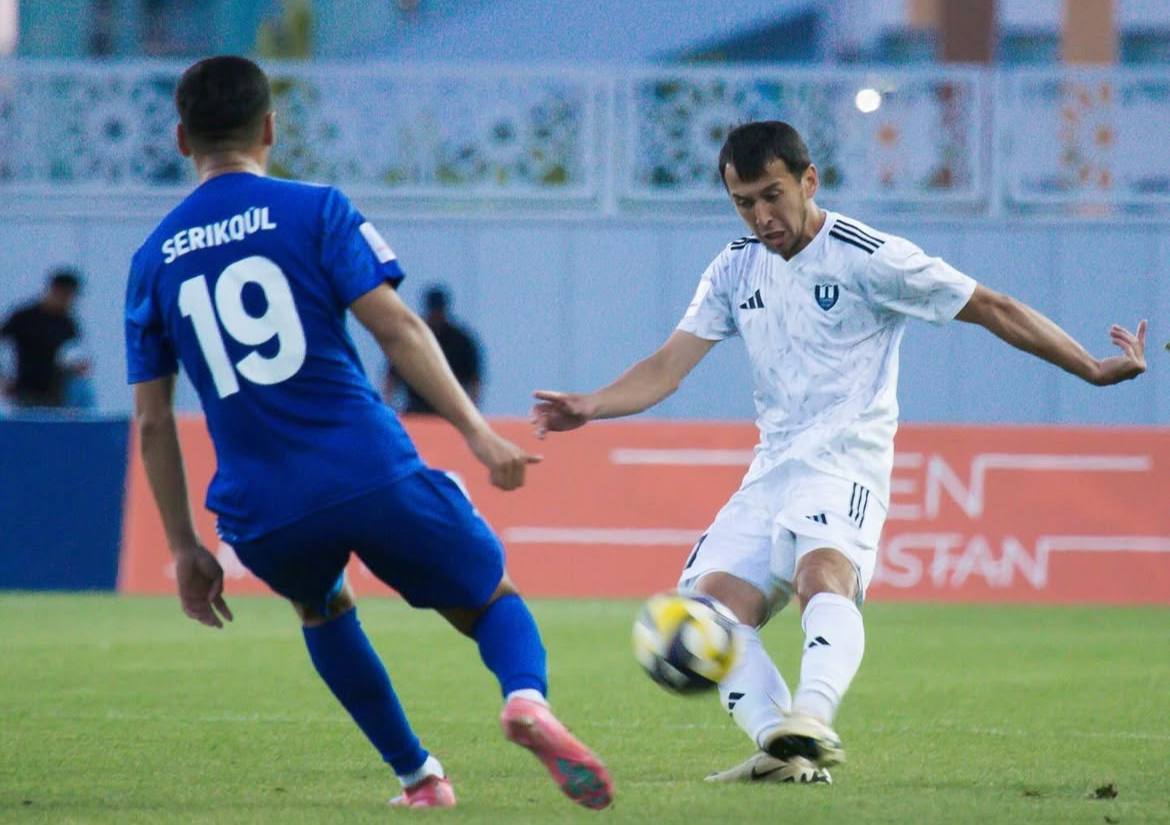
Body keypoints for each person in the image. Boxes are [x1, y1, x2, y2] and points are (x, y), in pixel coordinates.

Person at [532, 120, 1147, 785]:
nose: (762, 217)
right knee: (707, 608)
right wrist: (592, 404)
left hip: (846, 461)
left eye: (772, 195)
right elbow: (666, 367)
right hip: (772, 468)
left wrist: (1090, 367)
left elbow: (990, 306)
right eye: (744, 202)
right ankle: (782, 748)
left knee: (820, 576)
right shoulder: (735, 266)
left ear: (808, 180)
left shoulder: (868, 256)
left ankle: (814, 714)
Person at [124, 56, 612, 811]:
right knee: (488, 599)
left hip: (263, 506)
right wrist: (477, 431)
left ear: (181, 138)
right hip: (367, 468)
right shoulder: (317, 209)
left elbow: (154, 420)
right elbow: (398, 329)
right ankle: (525, 699)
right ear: (270, 128)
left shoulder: (151, 259)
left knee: (322, 606)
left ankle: (419, 778)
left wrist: (185, 546)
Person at [1, 268, 91, 409]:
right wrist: (2, 378)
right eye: (65, 295)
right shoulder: (24, 318)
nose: (68, 301)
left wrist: (77, 368)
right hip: (26, 394)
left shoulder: (67, 324)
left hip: (57, 397)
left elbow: (68, 357)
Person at [385, 285, 482, 414]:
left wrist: (471, 411)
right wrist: (389, 407)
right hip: (415, 410)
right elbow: (391, 377)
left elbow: (474, 380)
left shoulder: (461, 342)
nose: (436, 316)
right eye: (433, 311)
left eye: (439, 311)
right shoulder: (410, 339)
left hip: (450, 411)